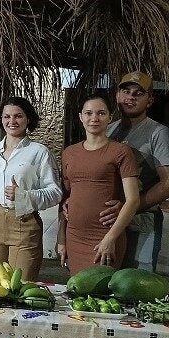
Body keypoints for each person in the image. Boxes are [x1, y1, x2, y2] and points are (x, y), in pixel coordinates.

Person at [0, 96, 61, 281]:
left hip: (24, 221)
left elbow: (55, 193)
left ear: (28, 119)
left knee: (21, 284)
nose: (12, 121)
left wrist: (24, 196)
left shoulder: (39, 152)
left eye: (18, 116)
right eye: (6, 116)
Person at [58, 95, 140, 275]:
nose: (94, 118)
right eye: (88, 113)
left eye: (101, 113)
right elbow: (65, 199)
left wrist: (110, 238)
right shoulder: (69, 153)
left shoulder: (121, 151)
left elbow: (133, 200)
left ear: (110, 117)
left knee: (101, 288)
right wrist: (61, 239)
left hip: (105, 234)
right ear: (80, 117)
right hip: (74, 235)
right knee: (76, 287)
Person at [103, 71, 169, 272]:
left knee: (135, 282)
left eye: (139, 93)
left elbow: (167, 183)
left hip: (141, 222)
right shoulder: (108, 130)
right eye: (126, 91)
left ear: (150, 100)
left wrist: (129, 207)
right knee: (105, 278)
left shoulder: (158, 133)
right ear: (117, 95)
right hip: (109, 219)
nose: (131, 97)